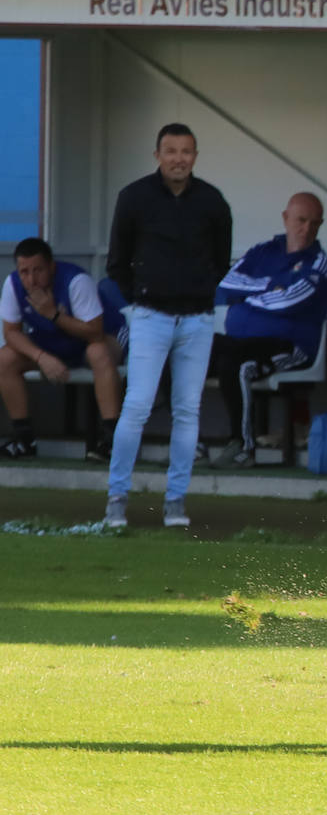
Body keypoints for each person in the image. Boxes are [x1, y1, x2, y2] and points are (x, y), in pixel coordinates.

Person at [104, 122, 232, 529]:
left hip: (197, 319)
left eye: (186, 151)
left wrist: (196, 293)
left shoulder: (212, 201)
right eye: (171, 151)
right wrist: (143, 298)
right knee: (137, 405)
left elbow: (221, 261)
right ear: (157, 154)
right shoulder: (134, 197)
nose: (179, 158)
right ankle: (116, 498)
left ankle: (175, 500)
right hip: (149, 316)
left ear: (195, 156)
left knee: (187, 411)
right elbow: (117, 263)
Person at [208, 193, 327, 469]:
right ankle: (189, 445)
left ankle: (242, 448)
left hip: (291, 345)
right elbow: (226, 286)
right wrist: (272, 285)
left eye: (315, 223)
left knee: (237, 364)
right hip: (242, 339)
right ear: (285, 218)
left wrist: (248, 298)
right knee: (189, 351)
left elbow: (290, 300)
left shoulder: (319, 262)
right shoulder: (262, 251)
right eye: (301, 220)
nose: (307, 229)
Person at [0, 237, 127, 460]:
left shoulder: (76, 281)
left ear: (51, 266)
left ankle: (112, 440)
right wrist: (41, 357)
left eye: (38, 270)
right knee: (5, 358)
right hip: (52, 344)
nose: (32, 279)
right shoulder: (13, 285)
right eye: (25, 272)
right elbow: (11, 332)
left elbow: (95, 332)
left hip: (97, 338)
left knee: (98, 353)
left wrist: (53, 314)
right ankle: (24, 440)